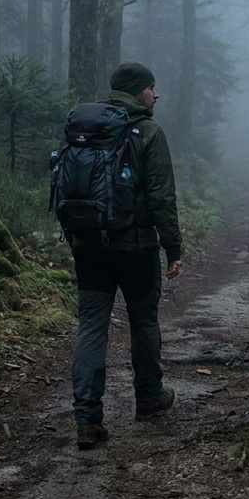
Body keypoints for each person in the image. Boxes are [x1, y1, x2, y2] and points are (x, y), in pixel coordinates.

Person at [71, 61, 184, 450]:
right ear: (138, 90)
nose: (156, 95)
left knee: (90, 328)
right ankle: (149, 398)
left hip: (87, 246)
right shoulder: (149, 132)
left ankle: (87, 420)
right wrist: (174, 248)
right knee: (143, 321)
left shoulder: (88, 129)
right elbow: (161, 196)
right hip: (135, 247)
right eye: (152, 88)